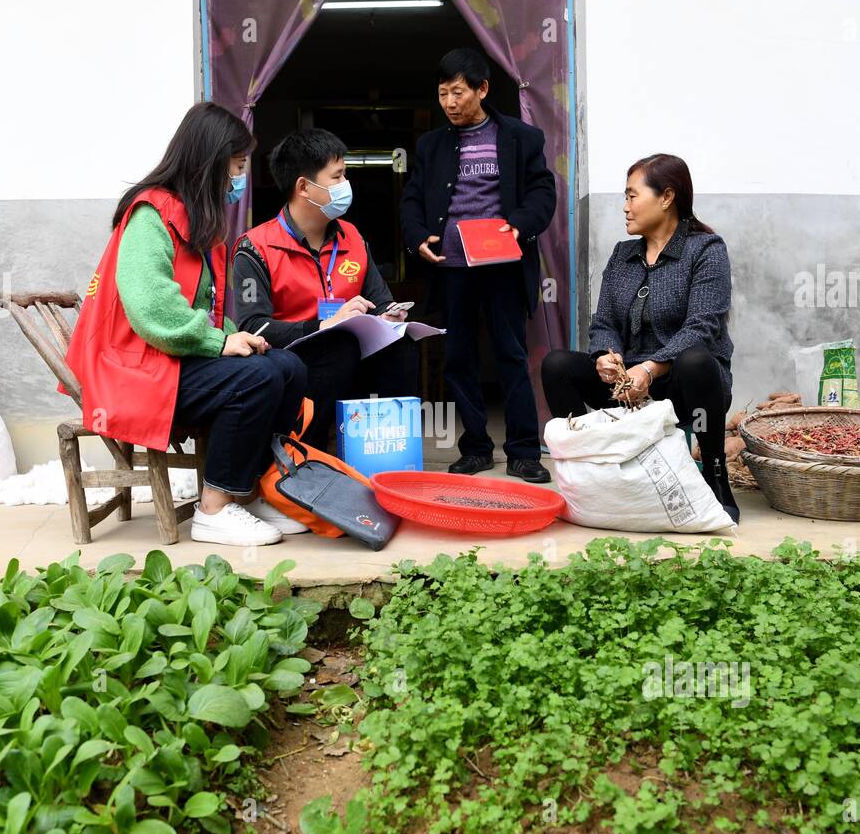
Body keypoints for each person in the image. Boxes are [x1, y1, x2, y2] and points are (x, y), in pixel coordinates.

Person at [63, 101, 310, 547]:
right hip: (133, 369)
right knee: (252, 380)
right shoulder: (150, 216)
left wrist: (241, 336)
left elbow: (208, 308)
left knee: (287, 367)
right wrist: (219, 342)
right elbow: (153, 310)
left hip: (170, 360)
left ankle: (246, 493)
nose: (240, 179)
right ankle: (214, 509)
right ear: (209, 163)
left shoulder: (197, 221)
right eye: (236, 167)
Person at [540, 153, 739, 522]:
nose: (625, 206)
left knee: (696, 359)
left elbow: (703, 326)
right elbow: (604, 322)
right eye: (625, 196)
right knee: (558, 365)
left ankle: (715, 479)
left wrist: (650, 368)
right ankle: (585, 475)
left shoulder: (706, 251)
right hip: (628, 386)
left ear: (666, 197)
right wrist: (605, 356)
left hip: (684, 385)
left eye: (633, 196)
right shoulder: (623, 255)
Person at [400, 47, 557, 484]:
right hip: (451, 267)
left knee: (511, 355)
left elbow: (543, 193)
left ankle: (525, 451)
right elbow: (412, 200)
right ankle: (476, 448)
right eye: (443, 93)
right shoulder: (431, 145)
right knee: (459, 359)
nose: (449, 103)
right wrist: (417, 239)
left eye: (458, 92)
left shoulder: (520, 137)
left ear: (482, 89)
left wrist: (518, 227)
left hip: (502, 265)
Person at [230, 128, 420, 455]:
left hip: (352, 355)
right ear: (304, 187)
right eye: (338, 177)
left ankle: (388, 455)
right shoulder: (255, 247)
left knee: (401, 346)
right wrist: (320, 328)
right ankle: (306, 456)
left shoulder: (353, 238)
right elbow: (253, 325)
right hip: (295, 363)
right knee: (337, 346)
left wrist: (389, 314)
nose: (347, 185)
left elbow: (381, 300)